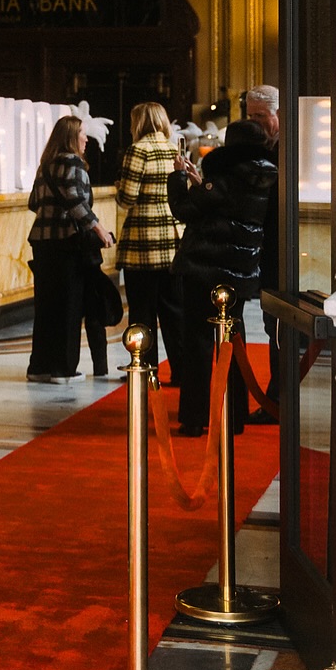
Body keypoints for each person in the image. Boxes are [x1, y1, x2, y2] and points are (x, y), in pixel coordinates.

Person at [168, 119, 277, 435]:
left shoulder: (226, 176)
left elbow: (185, 209)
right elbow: (227, 209)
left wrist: (177, 176)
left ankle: (195, 417)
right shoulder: (266, 175)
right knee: (233, 344)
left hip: (204, 268)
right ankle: (235, 415)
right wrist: (201, 182)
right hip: (240, 271)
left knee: (199, 343)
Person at [26, 114, 116, 384]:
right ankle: (64, 370)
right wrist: (99, 230)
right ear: (70, 137)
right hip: (66, 243)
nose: (86, 139)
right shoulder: (73, 162)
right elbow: (77, 202)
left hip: (41, 242)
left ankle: (39, 367)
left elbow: (33, 203)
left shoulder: (45, 166)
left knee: (45, 306)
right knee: (69, 306)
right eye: (82, 134)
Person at [113, 101, 183, 382]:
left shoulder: (137, 150)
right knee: (174, 312)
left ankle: (145, 370)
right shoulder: (173, 148)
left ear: (138, 123)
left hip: (142, 243)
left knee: (142, 312)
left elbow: (126, 198)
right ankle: (181, 371)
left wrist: (120, 187)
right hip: (172, 241)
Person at [245, 84, 281, 424]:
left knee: (281, 330)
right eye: (250, 116)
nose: (255, 123)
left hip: (285, 251)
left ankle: (278, 400)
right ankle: (276, 399)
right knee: (273, 329)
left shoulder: (287, 150)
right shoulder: (253, 149)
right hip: (263, 252)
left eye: (261, 116)